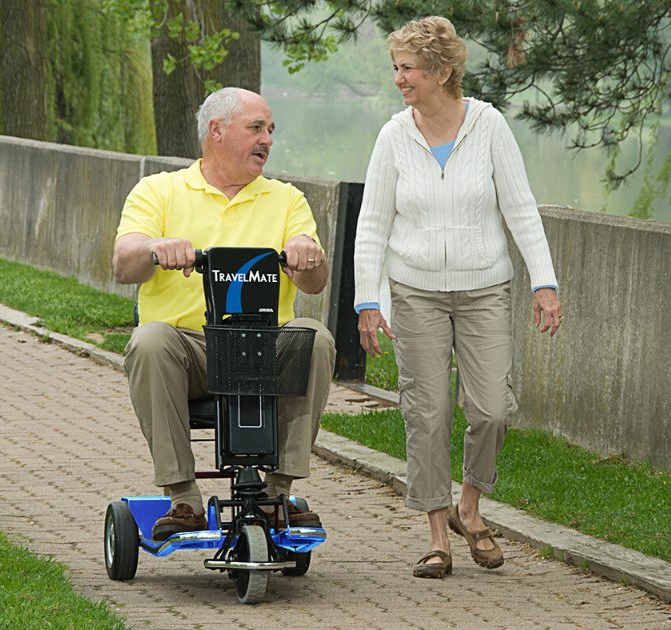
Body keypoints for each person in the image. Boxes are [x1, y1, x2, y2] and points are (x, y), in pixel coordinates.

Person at [353, 16, 562, 579]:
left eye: (409, 68)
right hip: (415, 290)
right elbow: (372, 224)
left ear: (443, 71)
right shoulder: (394, 136)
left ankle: (470, 505)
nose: (399, 78)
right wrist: (366, 301)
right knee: (428, 412)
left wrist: (545, 282)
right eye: (395, 67)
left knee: (491, 409)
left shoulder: (489, 127)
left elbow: (521, 209)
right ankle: (437, 534)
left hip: (484, 287)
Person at [113, 87, 336, 541]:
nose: (267, 139)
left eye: (270, 130)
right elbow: (122, 262)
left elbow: (316, 280)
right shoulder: (159, 191)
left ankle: (278, 491)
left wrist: (307, 254)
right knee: (149, 340)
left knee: (314, 336)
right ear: (216, 131)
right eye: (256, 128)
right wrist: (155, 248)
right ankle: (183, 498)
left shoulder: (287, 199)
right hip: (189, 349)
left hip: (263, 347)